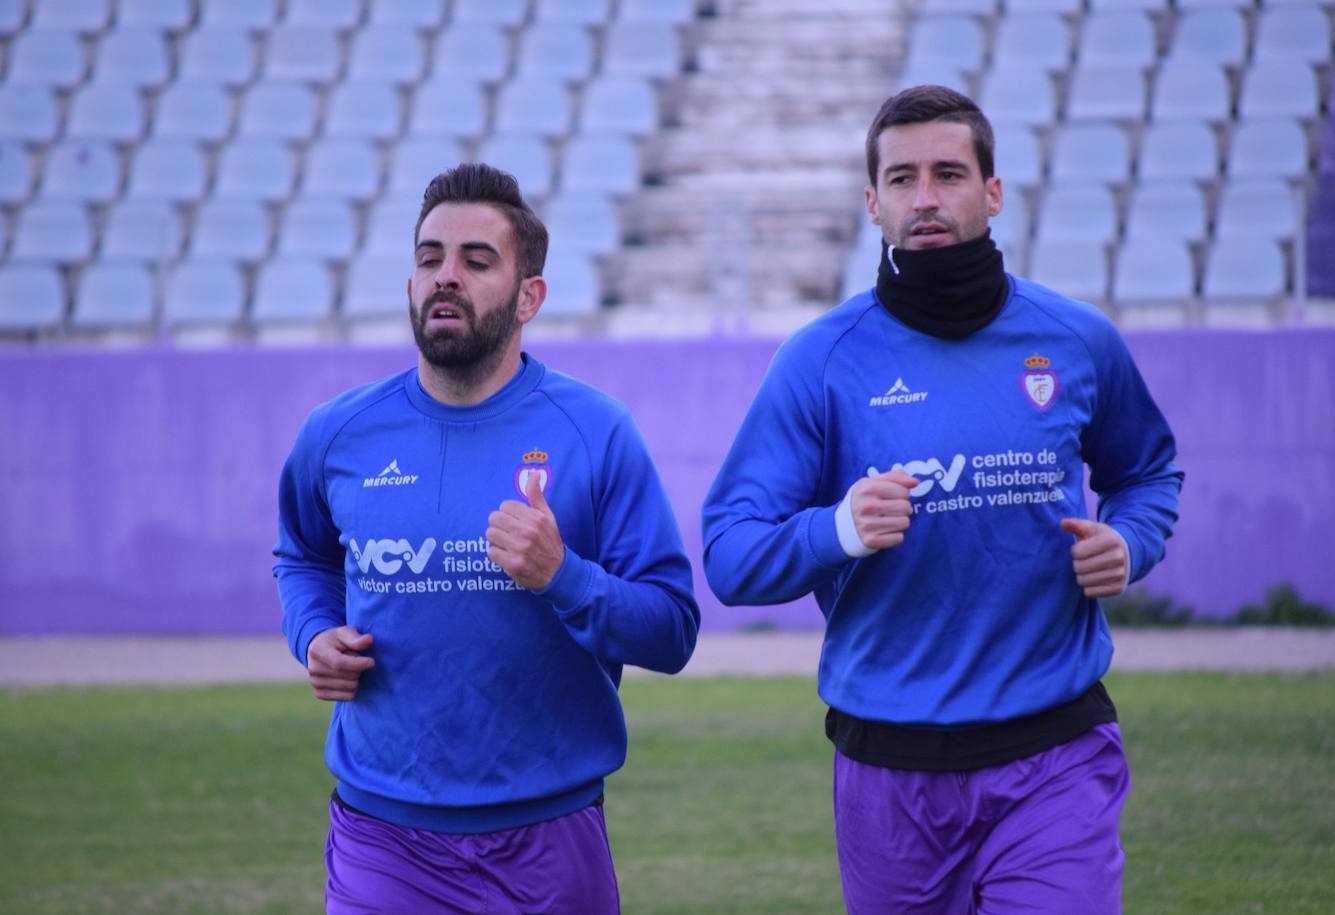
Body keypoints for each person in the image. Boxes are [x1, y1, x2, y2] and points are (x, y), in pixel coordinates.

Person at [702, 85, 1183, 914]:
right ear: (872, 203)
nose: (925, 198)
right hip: (888, 773)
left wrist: (1129, 542)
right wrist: (839, 527)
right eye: (902, 178)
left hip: (1054, 749)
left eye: (950, 173)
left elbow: (1148, 473)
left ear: (992, 192)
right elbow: (731, 554)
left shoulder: (1075, 340)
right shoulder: (820, 361)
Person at [274, 163, 699, 914]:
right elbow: (303, 555)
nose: (446, 277)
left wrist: (565, 575)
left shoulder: (595, 433)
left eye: (477, 261)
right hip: (383, 838)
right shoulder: (337, 433)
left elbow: (671, 629)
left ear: (529, 295)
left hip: (549, 838)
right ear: (409, 283)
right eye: (430, 258)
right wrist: (312, 631)